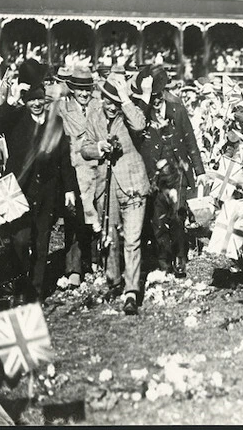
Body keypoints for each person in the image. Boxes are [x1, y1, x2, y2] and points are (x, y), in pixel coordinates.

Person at [0, 59, 77, 301]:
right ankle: (21, 285)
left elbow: (64, 159)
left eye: (40, 99)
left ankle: (36, 293)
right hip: (17, 189)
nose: (36, 104)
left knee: (42, 244)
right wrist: (10, 100)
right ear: (25, 101)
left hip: (47, 191)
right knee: (20, 241)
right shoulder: (16, 119)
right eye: (31, 99)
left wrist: (69, 189)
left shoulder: (55, 123)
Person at [81, 73, 150, 315]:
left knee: (132, 239)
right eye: (107, 101)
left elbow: (140, 124)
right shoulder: (94, 117)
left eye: (115, 102)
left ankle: (131, 291)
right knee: (110, 238)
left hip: (132, 185)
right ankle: (114, 281)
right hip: (106, 186)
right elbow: (84, 148)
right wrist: (99, 148)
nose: (111, 107)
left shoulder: (129, 114)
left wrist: (126, 100)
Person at [133, 65, 207, 277]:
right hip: (156, 177)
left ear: (165, 93)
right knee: (158, 221)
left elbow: (190, 141)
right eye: (152, 96)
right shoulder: (143, 113)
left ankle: (180, 258)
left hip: (178, 173)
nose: (156, 100)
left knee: (177, 217)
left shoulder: (178, 110)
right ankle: (164, 260)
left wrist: (199, 171)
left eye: (159, 95)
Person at [52, 65, 102, 288]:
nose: (83, 94)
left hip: (97, 168)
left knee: (97, 217)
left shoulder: (98, 106)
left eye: (87, 89)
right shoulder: (62, 109)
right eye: (79, 90)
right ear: (72, 89)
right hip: (75, 171)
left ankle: (94, 261)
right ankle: (73, 268)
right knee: (74, 218)